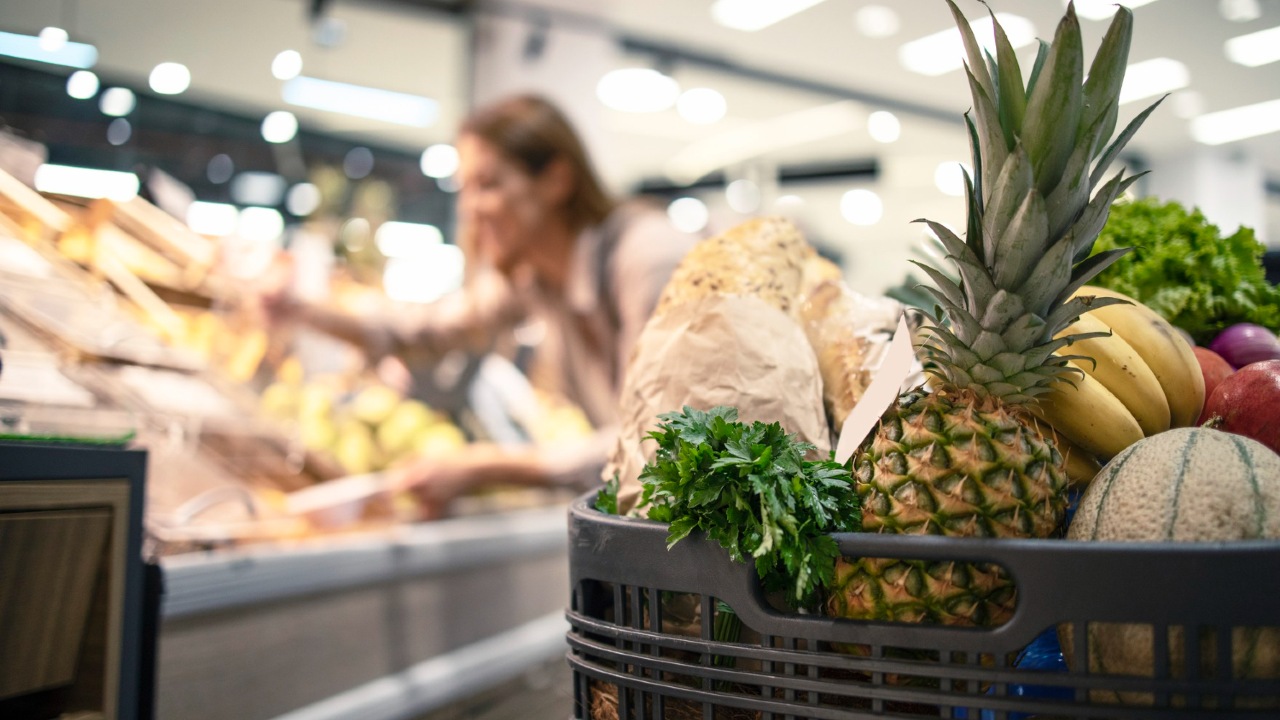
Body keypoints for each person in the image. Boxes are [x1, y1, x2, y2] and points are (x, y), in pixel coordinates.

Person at [261, 94, 696, 518]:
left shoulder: (648, 259)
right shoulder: (537, 277)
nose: (470, 209)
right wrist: (301, 309)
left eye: (488, 184)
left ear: (557, 180)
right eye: (464, 188)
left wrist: (489, 464)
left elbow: (660, 440)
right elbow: (426, 331)